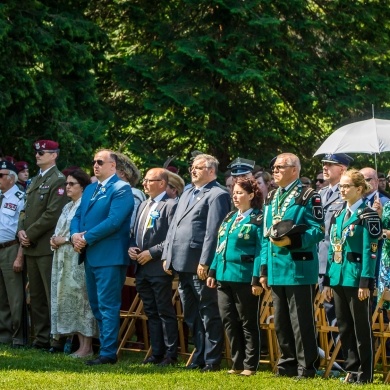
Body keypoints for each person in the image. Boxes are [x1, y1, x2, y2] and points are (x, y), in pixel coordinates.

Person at [162, 153, 231, 372]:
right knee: (191, 315)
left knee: (208, 313)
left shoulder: (217, 194)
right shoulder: (188, 192)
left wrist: (206, 262)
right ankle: (199, 355)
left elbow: (213, 232)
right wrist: (167, 255)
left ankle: (212, 359)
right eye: (192, 167)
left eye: (199, 168)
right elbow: (174, 227)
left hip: (199, 264)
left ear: (211, 171)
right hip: (181, 262)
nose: (193, 170)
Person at [258, 153, 324, 378]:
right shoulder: (272, 195)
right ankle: (286, 364)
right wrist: (264, 269)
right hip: (276, 267)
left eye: (279, 167)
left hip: (298, 267)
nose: (274, 170)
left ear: (294, 170)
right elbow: (266, 235)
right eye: (273, 167)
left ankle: (307, 367)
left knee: (301, 320)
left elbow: (318, 230)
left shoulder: (308, 195)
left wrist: (292, 241)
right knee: (282, 321)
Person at [70, 149, 134, 365]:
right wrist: (74, 235)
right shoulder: (90, 189)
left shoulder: (122, 189)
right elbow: (77, 216)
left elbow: (114, 221)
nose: (95, 165)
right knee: (96, 305)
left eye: (100, 162)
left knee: (108, 305)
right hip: (90, 255)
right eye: (94, 161)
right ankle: (105, 348)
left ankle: (108, 353)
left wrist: (86, 238)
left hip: (110, 256)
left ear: (113, 166)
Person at [323, 169, 381, 384]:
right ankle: (352, 369)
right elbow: (332, 248)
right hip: (339, 277)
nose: (343, 190)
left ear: (359, 189)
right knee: (345, 326)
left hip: (357, 278)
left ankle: (365, 373)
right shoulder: (338, 214)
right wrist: (328, 280)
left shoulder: (368, 215)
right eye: (341, 186)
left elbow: (370, 250)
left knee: (361, 327)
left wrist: (366, 281)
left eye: (347, 186)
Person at [207, 177, 263, 376]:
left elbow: (260, 250)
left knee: (247, 321)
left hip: (245, 276)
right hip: (224, 274)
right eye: (234, 192)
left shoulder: (258, 218)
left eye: (240, 192)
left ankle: (250, 364)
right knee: (228, 319)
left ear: (251, 195)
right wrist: (213, 270)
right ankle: (237, 362)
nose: (235, 196)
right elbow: (220, 246)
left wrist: (257, 278)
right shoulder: (230, 217)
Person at [17, 140, 68, 351]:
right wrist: (21, 231)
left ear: (54, 155)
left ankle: (56, 339)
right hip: (30, 245)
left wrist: (29, 233)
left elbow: (52, 214)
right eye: (37, 152)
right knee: (36, 296)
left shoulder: (58, 180)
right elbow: (25, 210)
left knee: (50, 295)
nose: (38, 155)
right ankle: (41, 338)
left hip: (46, 246)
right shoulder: (36, 179)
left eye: (43, 152)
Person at [129, 168, 178, 366]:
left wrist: (152, 253)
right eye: (145, 180)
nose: (146, 184)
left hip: (158, 267)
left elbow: (172, 238)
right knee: (150, 311)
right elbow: (135, 232)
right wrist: (131, 247)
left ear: (162, 183)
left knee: (164, 311)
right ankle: (156, 352)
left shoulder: (171, 205)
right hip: (141, 267)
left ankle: (170, 354)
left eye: (150, 180)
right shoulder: (143, 205)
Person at [50, 169, 98, 358]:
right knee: (68, 299)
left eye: (72, 184)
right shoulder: (68, 206)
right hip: (62, 259)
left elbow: (87, 232)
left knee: (82, 300)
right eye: (66, 184)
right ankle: (78, 344)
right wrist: (54, 239)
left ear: (83, 187)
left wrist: (65, 240)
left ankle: (87, 347)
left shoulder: (86, 206)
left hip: (77, 258)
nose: (67, 187)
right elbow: (60, 229)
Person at [0, 161, 27, 347]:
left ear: (11, 178)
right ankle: (4, 335)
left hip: (11, 248)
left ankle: (19, 337)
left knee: (15, 296)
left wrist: (19, 255)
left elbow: (23, 229)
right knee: (1, 296)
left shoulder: (20, 197)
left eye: (1, 175)